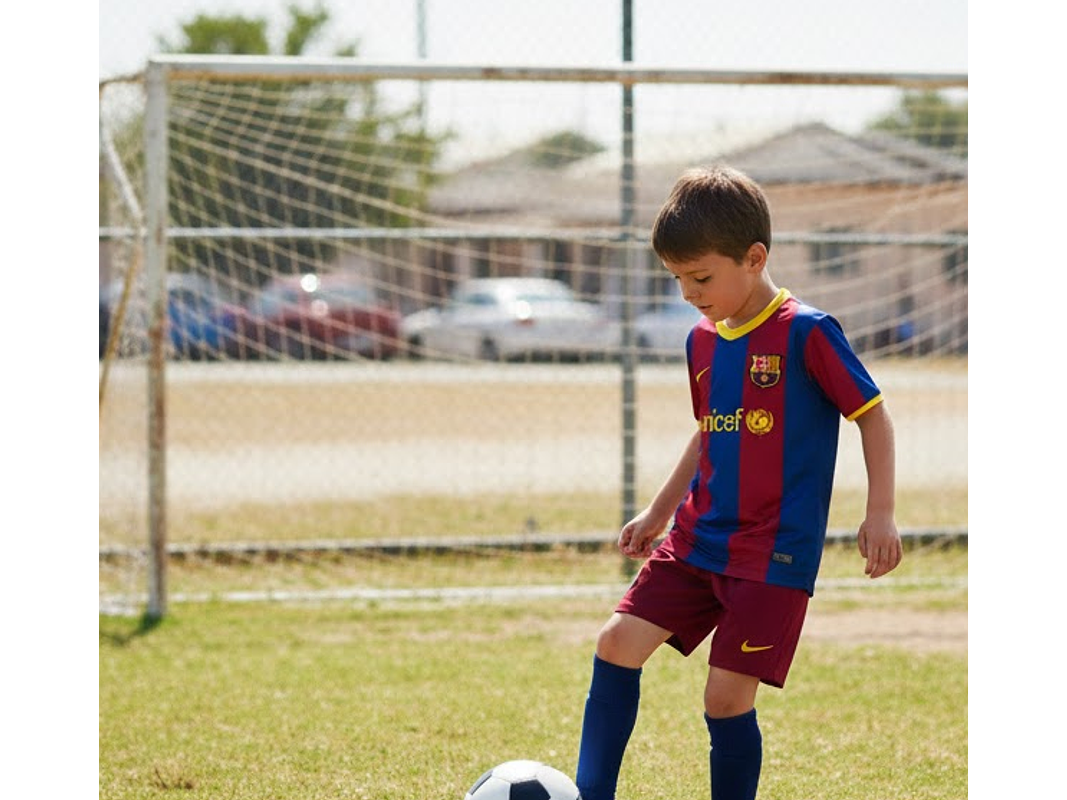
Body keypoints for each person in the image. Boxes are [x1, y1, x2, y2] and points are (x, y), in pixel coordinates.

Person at [573, 164, 902, 800]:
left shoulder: (807, 332)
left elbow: (873, 415)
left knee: (725, 698)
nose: (689, 294)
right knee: (616, 642)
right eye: (677, 280)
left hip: (771, 553)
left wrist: (880, 513)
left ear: (754, 258)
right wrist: (659, 512)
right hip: (698, 540)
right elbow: (708, 432)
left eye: (701, 278)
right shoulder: (701, 340)